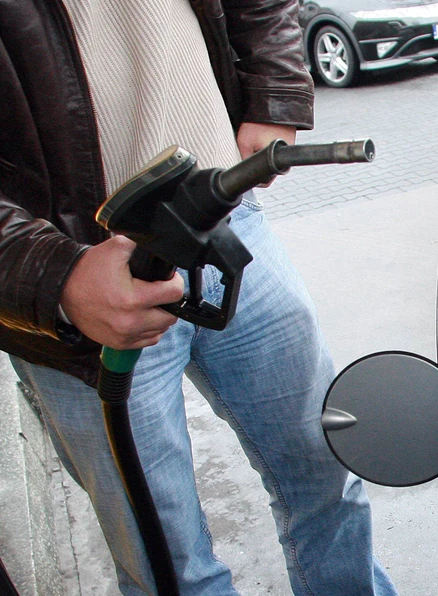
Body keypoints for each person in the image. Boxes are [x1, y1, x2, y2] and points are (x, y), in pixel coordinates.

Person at [0, 1, 397, 594]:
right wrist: (54, 275)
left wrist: (274, 94)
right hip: (84, 282)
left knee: (327, 475)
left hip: (228, 223)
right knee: (169, 562)